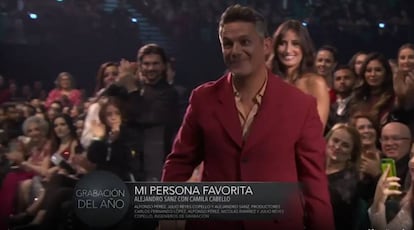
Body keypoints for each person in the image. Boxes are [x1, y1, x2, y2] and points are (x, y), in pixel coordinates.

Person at [161, 4, 334, 230]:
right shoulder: (203, 98)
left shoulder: (300, 105)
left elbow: (314, 182)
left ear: (266, 45)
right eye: (228, 44)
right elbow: (180, 162)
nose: (235, 51)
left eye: (245, 42)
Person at [267, 20, 330, 129]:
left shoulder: (315, 83)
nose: (288, 50)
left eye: (295, 44)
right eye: (282, 43)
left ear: (304, 47)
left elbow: (316, 130)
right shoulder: (266, 79)